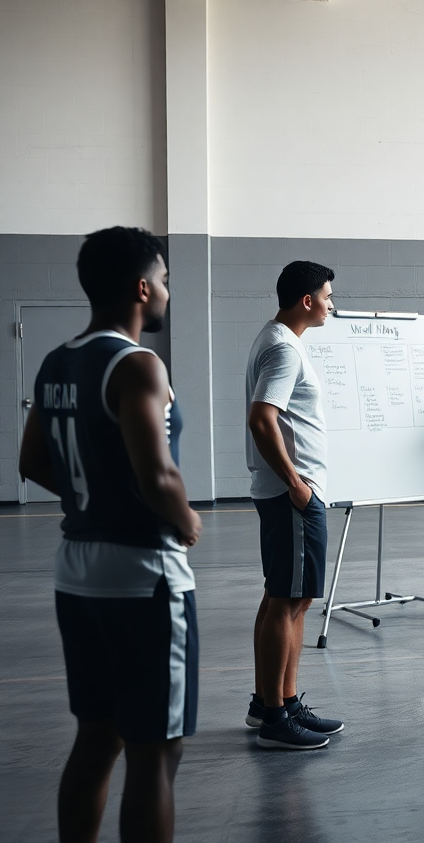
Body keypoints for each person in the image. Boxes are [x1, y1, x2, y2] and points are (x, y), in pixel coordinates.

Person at [18, 227, 202, 843]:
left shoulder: (57, 360)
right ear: (142, 287)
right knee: (156, 752)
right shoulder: (138, 364)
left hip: (76, 569)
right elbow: (158, 475)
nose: (169, 294)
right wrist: (187, 519)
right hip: (144, 574)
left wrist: (90, 497)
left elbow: (32, 461)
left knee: (97, 736)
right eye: (167, 282)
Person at [245, 261, 344, 750]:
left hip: (289, 494)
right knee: (289, 600)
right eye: (327, 295)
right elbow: (263, 418)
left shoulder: (279, 340)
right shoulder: (284, 347)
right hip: (292, 495)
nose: (331, 303)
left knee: (287, 597)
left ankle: (276, 701)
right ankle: (275, 718)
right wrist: (295, 483)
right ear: (307, 300)